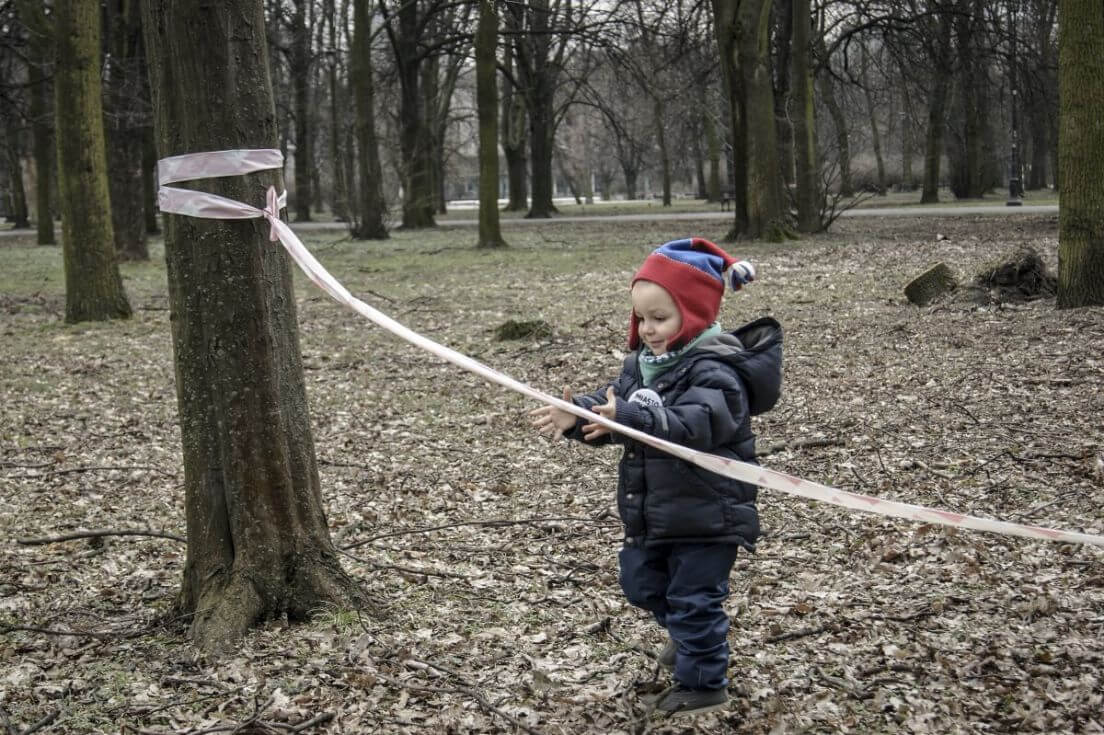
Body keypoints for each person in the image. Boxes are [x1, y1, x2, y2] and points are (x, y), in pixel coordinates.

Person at [530, 237, 782, 716]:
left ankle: (705, 682)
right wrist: (578, 415)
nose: (647, 330)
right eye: (640, 319)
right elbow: (614, 412)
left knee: (694, 599)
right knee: (641, 584)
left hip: (709, 513)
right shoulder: (639, 368)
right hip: (653, 511)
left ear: (695, 315)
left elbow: (695, 424)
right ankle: (691, 640)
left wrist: (628, 417)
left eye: (659, 319)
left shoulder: (717, 370)